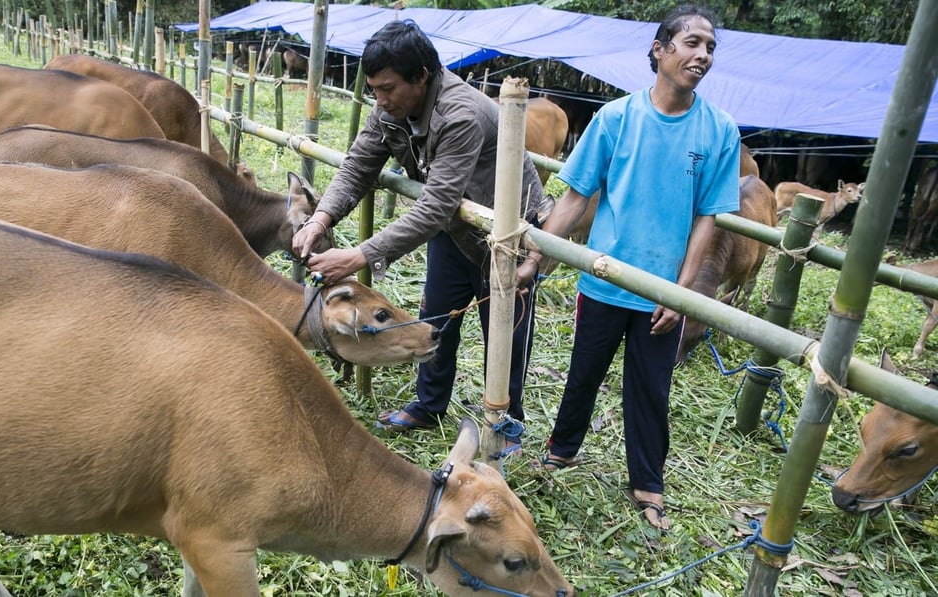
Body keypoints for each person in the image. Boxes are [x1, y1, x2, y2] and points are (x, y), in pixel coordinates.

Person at [516, 4, 740, 531]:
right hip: (604, 278)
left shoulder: (719, 131)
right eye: (691, 43)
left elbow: (708, 219)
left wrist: (678, 293)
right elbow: (575, 199)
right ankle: (562, 450)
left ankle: (648, 483)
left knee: (650, 387)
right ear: (660, 51)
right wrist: (537, 258)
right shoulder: (616, 118)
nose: (702, 54)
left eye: (710, 47)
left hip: (664, 290)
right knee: (583, 373)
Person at [292, 20, 545, 454]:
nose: (380, 99)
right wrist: (320, 219)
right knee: (436, 316)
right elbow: (357, 166)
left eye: (387, 88)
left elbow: (435, 204)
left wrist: (359, 256)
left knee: (505, 332)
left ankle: (504, 423)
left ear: (421, 76)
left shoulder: (460, 114)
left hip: (506, 239)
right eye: (374, 89)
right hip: (454, 231)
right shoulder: (389, 110)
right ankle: (430, 405)